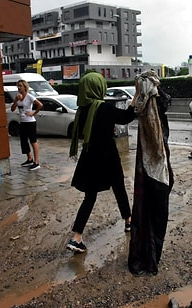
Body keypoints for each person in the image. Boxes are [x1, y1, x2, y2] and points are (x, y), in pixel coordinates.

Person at [67, 71, 136, 253]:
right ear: (98, 87)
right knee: (119, 187)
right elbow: (127, 117)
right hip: (107, 156)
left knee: (90, 197)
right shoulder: (103, 108)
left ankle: (77, 237)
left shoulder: (81, 111)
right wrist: (136, 96)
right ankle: (128, 221)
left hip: (89, 157)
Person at [128, 71, 174, 276]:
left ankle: (149, 257)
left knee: (149, 216)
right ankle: (151, 257)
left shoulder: (149, 106)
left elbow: (155, 145)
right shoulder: (152, 104)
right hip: (157, 172)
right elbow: (158, 146)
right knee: (156, 217)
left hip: (152, 172)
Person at [10, 79, 43, 171]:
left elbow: (40, 105)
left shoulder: (29, 97)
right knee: (23, 141)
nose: (19, 87)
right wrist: (16, 100)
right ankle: (29, 159)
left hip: (30, 122)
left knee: (33, 141)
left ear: (25, 87)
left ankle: (36, 162)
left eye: (20, 86)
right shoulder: (18, 97)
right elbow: (13, 109)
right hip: (22, 122)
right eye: (18, 86)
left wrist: (33, 113)